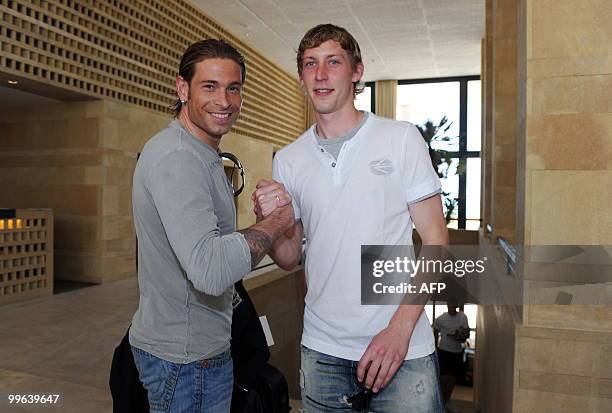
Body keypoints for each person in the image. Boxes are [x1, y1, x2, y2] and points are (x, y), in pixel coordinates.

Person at [253, 24, 449, 412]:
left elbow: (436, 242)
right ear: (301, 77)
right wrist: (270, 223)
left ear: (356, 71)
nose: (320, 75)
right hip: (322, 351)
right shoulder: (289, 160)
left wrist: (399, 330)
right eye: (310, 64)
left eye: (333, 62)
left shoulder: (400, 138)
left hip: (403, 349)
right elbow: (291, 256)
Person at [129, 39, 293, 413]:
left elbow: (211, 247)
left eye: (233, 88)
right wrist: (276, 222)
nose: (224, 101)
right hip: (187, 363)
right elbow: (210, 270)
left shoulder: (200, 152)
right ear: (182, 88)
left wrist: (256, 228)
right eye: (210, 86)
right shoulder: (178, 158)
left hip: (190, 352)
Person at [434, 299, 470, 413]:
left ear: (457, 307)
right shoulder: (441, 319)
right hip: (444, 351)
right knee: (444, 378)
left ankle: (447, 400)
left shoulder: (463, 317)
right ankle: (442, 402)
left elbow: (466, 335)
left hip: (457, 351)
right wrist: (434, 347)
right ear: (447, 306)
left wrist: (460, 336)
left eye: (454, 307)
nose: (452, 309)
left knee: (452, 378)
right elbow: (435, 332)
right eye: (450, 307)